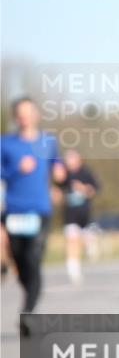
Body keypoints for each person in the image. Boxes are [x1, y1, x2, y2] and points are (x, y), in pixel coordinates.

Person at [0, 97, 66, 335]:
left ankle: (27, 312)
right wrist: (16, 169)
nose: (24, 117)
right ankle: (30, 297)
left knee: (34, 260)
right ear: (15, 116)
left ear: (36, 115)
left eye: (28, 112)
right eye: (20, 113)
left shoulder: (47, 142)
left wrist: (59, 173)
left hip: (40, 210)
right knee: (21, 263)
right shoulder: (5, 144)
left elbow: (56, 164)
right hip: (14, 211)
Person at [58, 149, 101, 283]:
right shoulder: (63, 175)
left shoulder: (86, 173)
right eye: (67, 159)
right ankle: (73, 269)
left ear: (79, 159)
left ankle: (90, 245)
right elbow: (58, 191)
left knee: (83, 239)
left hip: (84, 214)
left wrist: (83, 188)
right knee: (71, 241)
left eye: (71, 158)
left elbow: (94, 190)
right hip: (69, 214)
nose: (68, 161)